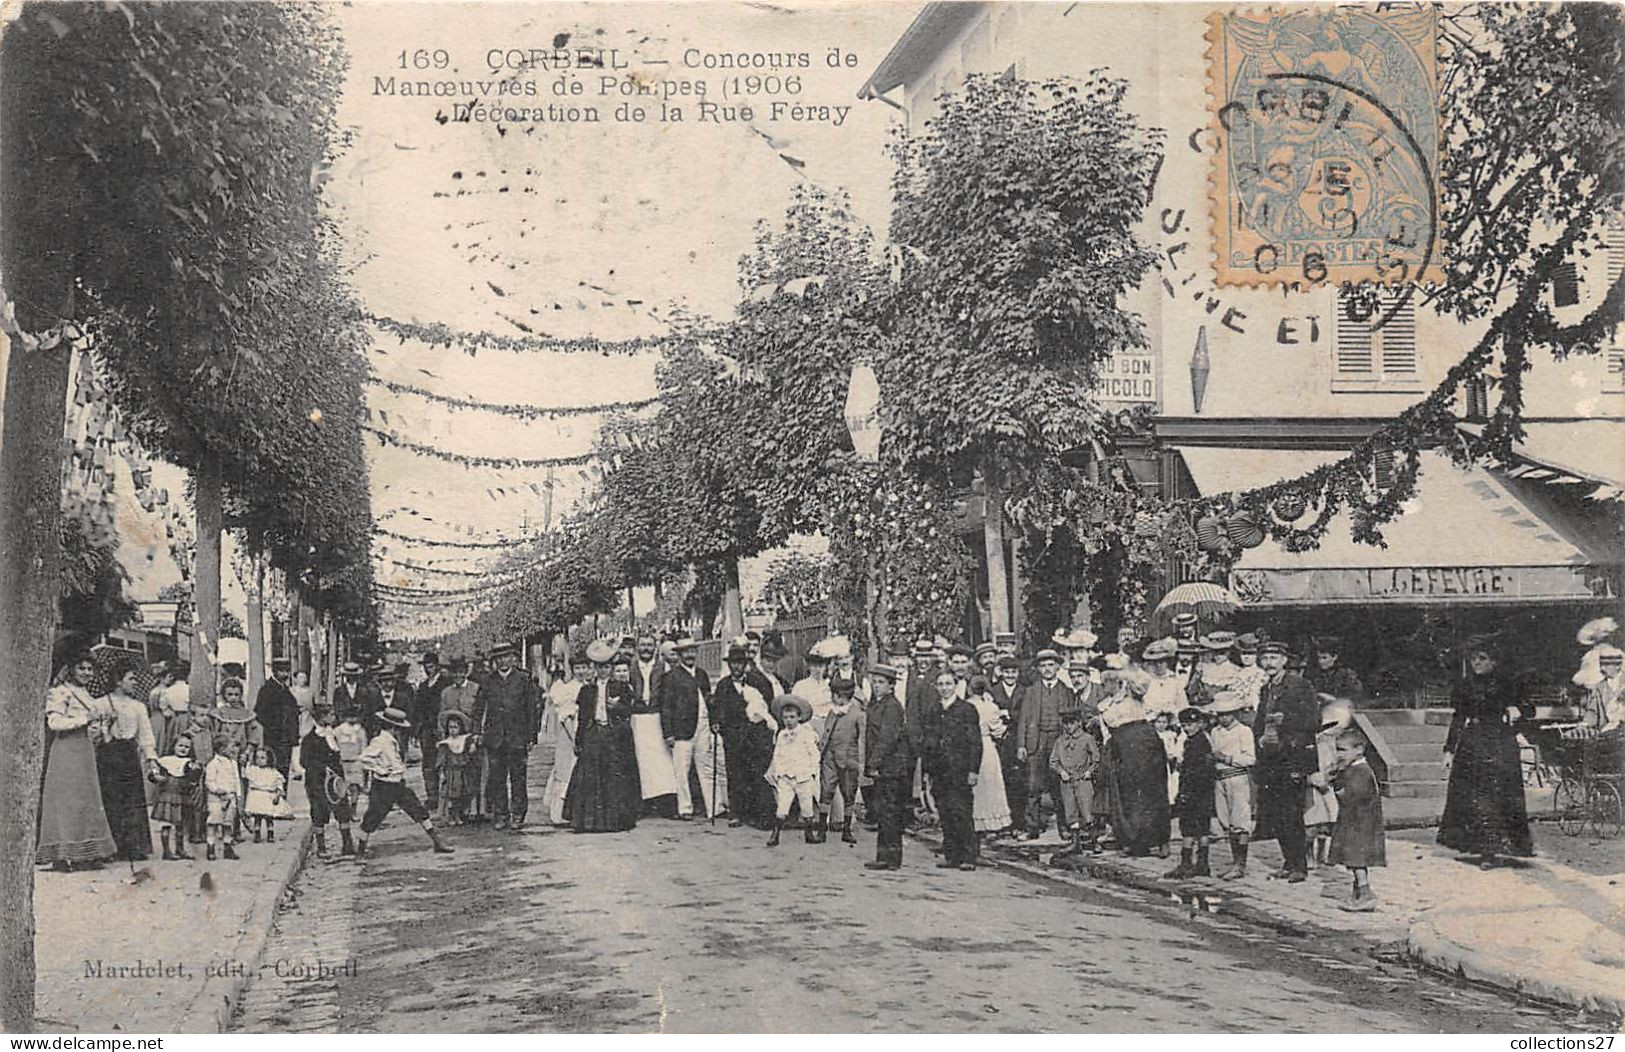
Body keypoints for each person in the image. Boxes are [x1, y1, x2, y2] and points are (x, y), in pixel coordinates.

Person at [1437, 639, 1534, 868]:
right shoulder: (1465, 685)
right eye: (1473, 659)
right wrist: (1449, 751)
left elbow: (1529, 708)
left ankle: (1506, 846)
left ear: (1494, 661)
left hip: (1501, 742)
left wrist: (1517, 709)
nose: (1476, 663)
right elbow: (1459, 717)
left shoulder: (1508, 684)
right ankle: (1485, 851)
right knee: (1476, 797)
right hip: (1473, 744)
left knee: (1500, 795)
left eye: (1482, 659)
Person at [38, 654, 118, 870]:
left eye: (90, 669)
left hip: (85, 749)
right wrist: (84, 720)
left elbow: (90, 725)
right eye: (81, 668)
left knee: (87, 799)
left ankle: (85, 854)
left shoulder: (87, 694)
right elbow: (54, 723)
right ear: (70, 669)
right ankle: (62, 855)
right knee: (66, 800)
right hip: (65, 750)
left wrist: (102, 727)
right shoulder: (60, 691)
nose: (86, 673)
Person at [1253, 640, 1319, 882]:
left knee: (1292, 812)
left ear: (1284, 660)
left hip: (1293, 758)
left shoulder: (1299, 685)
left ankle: (1299, 866)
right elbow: (1261, 721)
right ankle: (1288, 861)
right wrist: (1259, 737)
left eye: (1274, 658)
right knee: (1277, 813)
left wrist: (1286, 719)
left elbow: (1314, 720)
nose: (1269, 663)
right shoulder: (1266, 689)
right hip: (1272, 759)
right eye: (1265, 658)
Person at [353, 707, 453, 859]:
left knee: (418, 810)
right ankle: (359, 853)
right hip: (383, 786)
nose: (399, 731)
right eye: (398, 728)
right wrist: (380, 770)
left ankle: (437, 842)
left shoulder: (391, 740)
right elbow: (364, 758)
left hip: (398, 784)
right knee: (372, 818)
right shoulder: (380, 741)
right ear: (392, 727)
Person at [565, 641, 640, 834]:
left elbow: (629, 710)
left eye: (607, 667)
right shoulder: (587, 690)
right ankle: (590, 822)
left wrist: (617, 708)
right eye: (600, 667)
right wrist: (579, 740)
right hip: (593, 734)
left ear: (611, 668)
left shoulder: (621, 687)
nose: (604, 671)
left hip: (614, 736)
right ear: (595, 668)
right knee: (591, 778)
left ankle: (614, 821)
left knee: (613, 778)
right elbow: (582, 718)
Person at [473, 642, 541, 832]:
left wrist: (531, 736)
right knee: (497, 779)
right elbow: (478, 708)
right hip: (494, 738)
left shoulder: (523, 679)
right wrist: (477, 732)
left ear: (513, 658)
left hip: (517, 737)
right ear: (494, 661)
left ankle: (518, 814)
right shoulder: (487, 681)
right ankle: (501, 814)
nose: (503, 661)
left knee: (518, 778)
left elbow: (531, 710)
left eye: (506, 656)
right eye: (499, 658)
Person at [712, 645, 778, 829]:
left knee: (756, 774)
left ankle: (757, 814)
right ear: (729, 665)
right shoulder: (723, 685)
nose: (736, 667)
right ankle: (736, 813)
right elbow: (716, 708)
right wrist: (716, 723)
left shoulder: (757, 682)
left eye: (740, 663)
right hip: (732, 737)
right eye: (733, 663)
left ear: (746, 664)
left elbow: (767, 708)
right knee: (735, 774)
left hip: (754, 737)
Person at [923, 668, 983, 871]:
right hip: (939, 771)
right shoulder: (933, 710)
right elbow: (928, 742)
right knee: (945, 812)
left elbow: (975, 742)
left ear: (956, 686)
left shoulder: (966, 709)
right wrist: (928, 770)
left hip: (960, 770)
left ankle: (968, 856)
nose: (944, 688)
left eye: (948, 684)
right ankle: (952, 855)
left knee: (962, 812)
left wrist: (973, 770)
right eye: (940, 684)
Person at [1101, 687, 1170, 858]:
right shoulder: (1104, 705)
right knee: (1128, 797)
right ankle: (1134, 842)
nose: (1110, 683)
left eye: (1113, 680)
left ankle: (1162, 841)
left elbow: (1142, 686)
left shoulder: (1134, 690)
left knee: (1154, 793)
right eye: (1107, 681)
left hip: (1144, 740)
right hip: (1121, 743)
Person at [101, 662, 158, 861]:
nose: (134, 682)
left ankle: (134, 846)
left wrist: (151, 758)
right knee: (111, 798)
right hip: (107, 753)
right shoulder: (100, 703)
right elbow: (93, 733)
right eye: (130, 678)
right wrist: (105, 727)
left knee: (132, 799)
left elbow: (146, 734)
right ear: (118, 681)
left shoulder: (138, 706)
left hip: (128, 754)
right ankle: (113, 846)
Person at [658, 637, 720, 821]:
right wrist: (668, 733)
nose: (690, 655)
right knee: (682, 770)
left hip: (703, 725)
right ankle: (685, 808)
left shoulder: (701, 674)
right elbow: (666, 707)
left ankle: (713, 808)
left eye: (692, 651)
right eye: (686, 651)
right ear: (680, 654)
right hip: (682, 729)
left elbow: (710, 701)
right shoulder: (671, 677)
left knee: (706, 766)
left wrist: (713, 721)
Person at [1328, 728, 1385, 911]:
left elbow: (1351, 796)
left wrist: (1336, 785)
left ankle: (1365, 893)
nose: (1339, 754)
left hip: (1360, 824)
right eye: (1337, 749)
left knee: (1356, 860)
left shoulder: (1360, 771)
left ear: (1358, 750)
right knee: (1354, 860)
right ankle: (1358, 894)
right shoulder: (1354, 769)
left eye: (1343, 750)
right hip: (1355, 822)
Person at [864, 663, 914, 871]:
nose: (877, 686)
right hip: (884, 766)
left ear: (891, 686)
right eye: (874, 682)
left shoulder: (892, 707)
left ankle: (892, 858)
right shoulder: (876, 704)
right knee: (883, 811)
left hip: (892, 767)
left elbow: (887, 738)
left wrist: (874, 763)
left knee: (890, 812)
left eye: (881, 682)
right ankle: (884, 856)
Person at [1017, 648, 1070, 839]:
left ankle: (1065, 827)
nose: (1047, 669)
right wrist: (1021, 745)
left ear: (1057, 666)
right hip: (1036, 742)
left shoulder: (1065, 690)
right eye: (1043, 665)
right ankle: (1032, 828)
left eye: (1051, 665)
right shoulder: (1031, 691)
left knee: (1059, 786)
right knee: (1033, 787)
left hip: (1058, 741)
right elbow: (1023, 719)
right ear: (1038, 669)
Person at [1208, 691, 1257, 880]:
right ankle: (1234, 861)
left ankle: (1240, 864)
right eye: (1220, 714)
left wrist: (1227, 758)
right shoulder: (1215, 731)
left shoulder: (1243, 731)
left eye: (1227, 714)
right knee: (1226, 821)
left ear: (1235, 713)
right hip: (1220, 778)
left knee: (1240, 822)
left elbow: (1250, 759)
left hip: (1237, 778)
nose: (1223, 718)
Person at [1165, 708, 1216, 879]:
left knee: (1188, 828)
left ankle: (1187, 864)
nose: (1188, 728)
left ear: (1200, 724)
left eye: (1191, 724)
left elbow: (1197, 772)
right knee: (1202, 829)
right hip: (1203, 792)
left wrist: (1186, 793)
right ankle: (1202, 863)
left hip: (1195, 791)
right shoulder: (1199, 740)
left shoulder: (1196, 743)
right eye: (1185, 725)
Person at [300, 704, 356, 859]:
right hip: (317, 782)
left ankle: (347, 845)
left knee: (342, 810)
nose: (334, 718)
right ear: (322, 717)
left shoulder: (333, 735)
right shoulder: (309, 739)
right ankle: (321, 847)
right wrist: (322, 767)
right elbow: (304, 761)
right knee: (319, 812)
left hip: (336, 780)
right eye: (331, 715)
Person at [816, 675, 866, 844]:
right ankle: (822, 831)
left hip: (848, 759)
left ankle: (846, 830)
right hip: (829, 758)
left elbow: (862, 740)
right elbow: (827, 733)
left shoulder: (858, 715)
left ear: (843, 696)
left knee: (849, 794)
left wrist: (860, 762)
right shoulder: (832, 711)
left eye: (835, 695)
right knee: (826, 791)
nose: (833, 698)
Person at [765, 693, 819, 847]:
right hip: (786, 776)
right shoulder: (782, 735)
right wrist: (778, 772)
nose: (789, 720)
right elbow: (778, 754)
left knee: (806, 806)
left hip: (803, 776)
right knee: (782, 805)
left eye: (792, 717)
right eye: (786, 717)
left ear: (799, 718)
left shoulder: (806, 734)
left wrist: (811, 772)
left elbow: (814, 754)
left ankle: (809, 834)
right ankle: (775, 835)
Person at [1048, 696, 1100, 857]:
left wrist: (1089, 772)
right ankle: (1075, 842)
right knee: (1070, 811)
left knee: (1087, 810)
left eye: (1072, 723)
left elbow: (1096, 759)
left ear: (1079, 722)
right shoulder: (1060, 741)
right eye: (1066, 723)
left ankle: (1094, 841)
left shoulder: (1086, 739)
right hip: (1067, 781)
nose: (1069, 727)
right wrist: (1061, 771)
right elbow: (1053, 761)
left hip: (1083, 780)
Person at [1306, 695, 1351, 869]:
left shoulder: (1332, 742)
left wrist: (1333, 775)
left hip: (1329, 784)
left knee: (1327, 822)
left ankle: (1322, 854)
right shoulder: (1314, 743)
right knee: (1311, 822)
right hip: (1314, 785)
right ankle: (1308, 854)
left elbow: (1335, 763)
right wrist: (1316, 779)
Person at [965, 675, 1012, 837]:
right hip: (986, 746)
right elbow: (999, 731)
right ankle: (991, 823)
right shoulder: (990, 707)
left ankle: (976, 821)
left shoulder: (966, 705)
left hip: (970, 748)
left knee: (976, 788)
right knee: (990, 785)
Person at [989, 655, 1027, 833]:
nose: (1010, 675)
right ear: (1001, 673)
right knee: (1001, 781)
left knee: (1019, 781)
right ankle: (1003, 822)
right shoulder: (993, 690)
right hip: (999, 742)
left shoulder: (1025, 690)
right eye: (1007, 672)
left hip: (1018, 740)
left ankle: (1019, 821)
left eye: (1013, 672)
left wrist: (1009, 714)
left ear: (1018, 673)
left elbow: (1027, 715)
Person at [150, 732, 201, 861]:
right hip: (167, 796)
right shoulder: (165, 761)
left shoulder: (189, 763)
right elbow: (153, 775)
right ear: (174, 746)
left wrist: (194, 774)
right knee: (166, 824)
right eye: (180, 745)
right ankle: (166, 851)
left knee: (181, 825)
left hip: (182, 796)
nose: (183, 749)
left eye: (186, 747)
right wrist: (156, 777)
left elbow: (193, 778)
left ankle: (180, 849)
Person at [542, 669, 580, 826]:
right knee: (565, 769)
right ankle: (558, 812)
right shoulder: (567, 689)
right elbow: (565, 716)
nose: (583, 671)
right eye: (578, 668)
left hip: (585, 731)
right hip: (570, 732)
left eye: (586, 667)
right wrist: (573, 737)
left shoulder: (590, 686)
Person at [414, 652, 451, 810]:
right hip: (426, 731)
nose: (429, 670)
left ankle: (448, 796)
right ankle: (432, 796)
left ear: (437, 666)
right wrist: (418, 728)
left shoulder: (445, 683)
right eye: (426, 667)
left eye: (431, 667)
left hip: (441, 728)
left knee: (445, 762)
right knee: (428, 764)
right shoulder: (422, 686)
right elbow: (417, 709)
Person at [254, 659, 301, 783]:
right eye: (282, 671)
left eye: (287, 671)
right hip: (274, 738)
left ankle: (282, 799)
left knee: (284, 771)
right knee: (272, 769)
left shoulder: (286, 690)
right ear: (274, 671)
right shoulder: (267, 689)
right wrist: (274, 725)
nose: (285, 674)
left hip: (286, 739)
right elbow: (259, 713)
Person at [204, 734, 243, 862]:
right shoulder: (213, 764)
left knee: (228, 824)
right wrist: (216, 789)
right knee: (213, 823)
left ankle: (227, 847)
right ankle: (210, 847)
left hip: (230, 798)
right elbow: (209, 781)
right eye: (230, 747)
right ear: (221, 748)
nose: (233, 750)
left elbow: (237, 780)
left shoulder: (233, 763)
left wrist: (238, 795)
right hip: (216, 799)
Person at [437, 712, 477, 825]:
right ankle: (451, 816)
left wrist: (471, 750)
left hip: (462, 772)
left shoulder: (464, 740)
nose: (453, 730)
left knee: (462, 795)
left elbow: (468, 756)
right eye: (450, 727)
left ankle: (459, 815)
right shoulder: (446, 743)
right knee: (451, 797)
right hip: (451, 773)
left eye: (455, 727)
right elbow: (442, 760)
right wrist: (442, 772)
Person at [244, 746, 287, 843]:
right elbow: (246, 774)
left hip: (268, 795)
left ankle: (270, 833)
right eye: (257, 758)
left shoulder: (273, 772)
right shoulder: (253, 770)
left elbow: (279, 783)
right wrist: (246, 763)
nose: (259, 760)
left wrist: (278, 793)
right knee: (257, 816)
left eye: (262, 758)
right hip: (257, 794)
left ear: (269, 759)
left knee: (269, 816)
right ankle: (257, 833)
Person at [1307, 637, 1365, 704]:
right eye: (1319, 658)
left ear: (1334, 657)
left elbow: (1356, 697)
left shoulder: (1346, 675)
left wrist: (1334, 699)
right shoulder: (1315, 674)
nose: (1321, 661)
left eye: (1324, 658)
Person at [1139, 638, 1186, 720]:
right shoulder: (1144, 680)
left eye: (1161, 662)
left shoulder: (1174, 681)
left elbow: (1183, 705)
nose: (1158, 665)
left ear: (1167, 662)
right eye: (1155, 662)